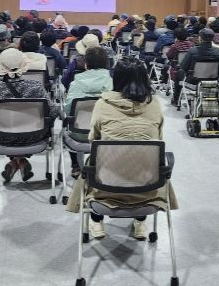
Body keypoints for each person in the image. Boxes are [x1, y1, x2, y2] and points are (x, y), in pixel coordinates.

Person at [65, 56, 178, 240]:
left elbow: (94, 140)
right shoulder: (154, 104)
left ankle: (96, 220)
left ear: (116, 78)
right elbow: (158, 138)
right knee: (142, 160)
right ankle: (140, 221)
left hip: (106, 186)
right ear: (144, 78)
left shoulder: (103, 104)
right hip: (147, 186)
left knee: (97, 162)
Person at [0, 48, 58, 182]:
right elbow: (54, 112)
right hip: (34, 137)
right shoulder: (36, 87)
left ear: (1, 68)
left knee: (10, 127)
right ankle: (21, 161)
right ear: (23, 66)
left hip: (4, 138)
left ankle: (15, 162)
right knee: (23, 127)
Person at [63, 46, 112, 177]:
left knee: (69, 125)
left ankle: (76, 166)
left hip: (78, 135)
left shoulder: (75, 84)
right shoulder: (113, 83)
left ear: (86, 64)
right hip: (105, 134)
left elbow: (68, 109)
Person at [172, 28, 219, 105]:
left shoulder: (193, 51)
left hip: (194, 82)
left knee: (179, 72)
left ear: (200, 38)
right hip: (213, 81)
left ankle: (176, 100)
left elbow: (184, 67)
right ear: (212, 38)